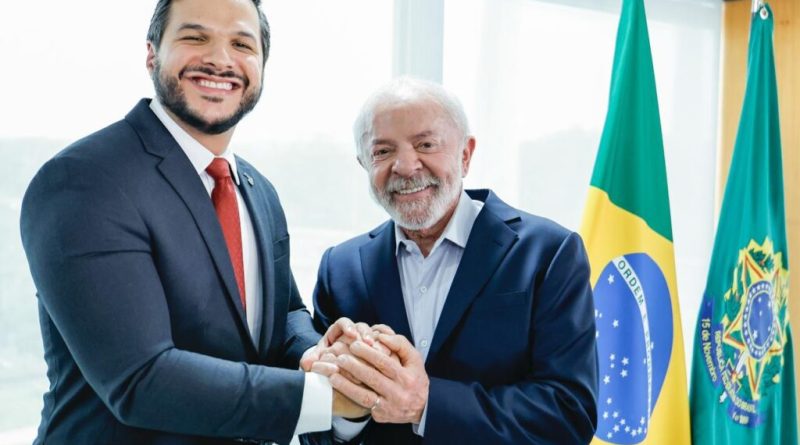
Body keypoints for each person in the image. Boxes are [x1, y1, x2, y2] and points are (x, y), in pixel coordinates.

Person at [20, 0, 367, 443]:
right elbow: (141, 379)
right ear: (152, 54)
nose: (220, 59)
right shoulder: (84, 181)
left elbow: (282, 314)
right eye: (195, 37)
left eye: (242, 44)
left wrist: (325, 357)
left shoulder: (258, 190)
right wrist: (325, 398)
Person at [303, 78, 599, 444]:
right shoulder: (340, 268)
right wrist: (349, 409)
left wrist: (426, 405)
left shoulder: (550, 253)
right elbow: (316, 427)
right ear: (364, 164)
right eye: (383, 151)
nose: (405, 166)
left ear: (465, 155)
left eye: (426, 144)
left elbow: (569, 414)